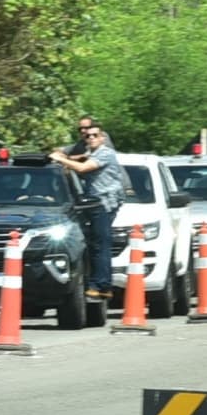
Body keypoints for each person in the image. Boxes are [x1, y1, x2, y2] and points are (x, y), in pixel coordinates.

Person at [49, 126, 125, 298]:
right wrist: (63, 156)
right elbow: (80, 159)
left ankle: (102, 285)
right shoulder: (93, 154)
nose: (91, 138)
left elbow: (83, 168)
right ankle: (98, 284)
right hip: (94, 203)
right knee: (95, 244)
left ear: (102, 138)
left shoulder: (106, 153)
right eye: (88, 136)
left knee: (101, 244)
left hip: (104, 203)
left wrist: (61, 160)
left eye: (95, 135)